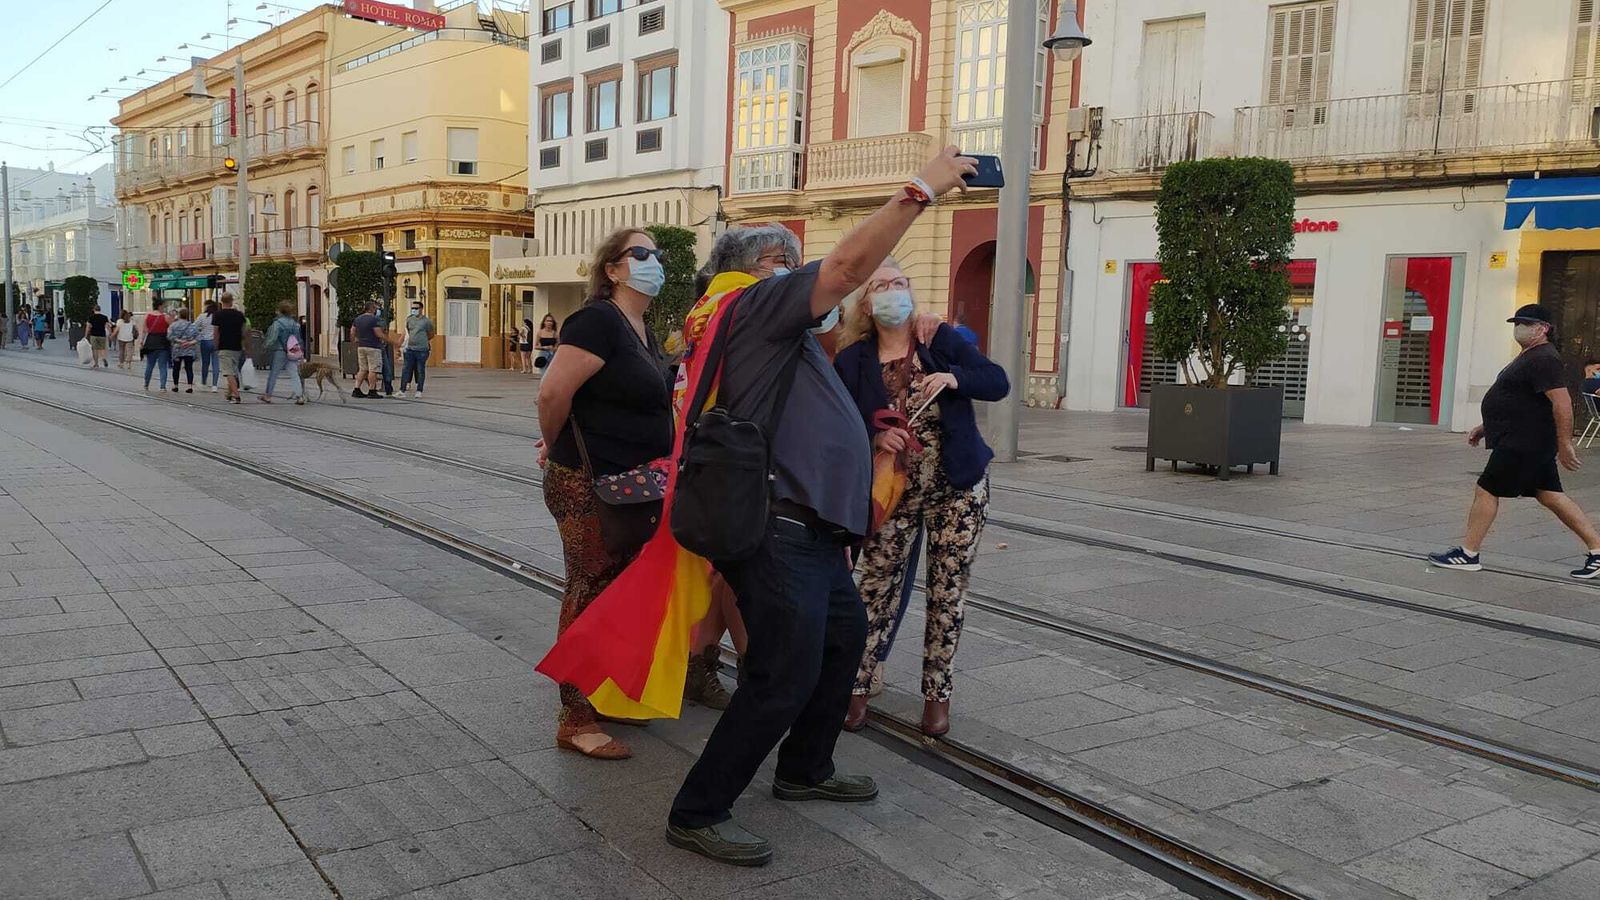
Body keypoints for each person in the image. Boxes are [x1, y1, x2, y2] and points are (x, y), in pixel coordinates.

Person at [665, 147, 977, 867]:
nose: (800, 274)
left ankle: (805, 768)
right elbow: (842, 270)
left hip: (811, 529)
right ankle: (697, 810)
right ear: (753, 271)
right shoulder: (757, 304)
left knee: (842, 640)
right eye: (785, 262)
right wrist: (920, 190)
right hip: (778, 528)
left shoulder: (783, 336)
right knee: (784, 672)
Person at [834, 259, 1009, 737]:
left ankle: (937, 696)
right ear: (866, 304)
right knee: (874, 587)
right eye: (881, 286)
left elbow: (997, 381)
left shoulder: (937, 339)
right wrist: (875, 435)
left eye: (900, 283)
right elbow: (841, 420)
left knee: (947, 590)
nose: (893, 291)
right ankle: (856, 687)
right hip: (893, 491)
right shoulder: (853, 359)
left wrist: (954, 377)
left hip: (958, 488)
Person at [536, 227, 675, 762]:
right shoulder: (596, 321)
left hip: (630, 484)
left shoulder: (640, 328)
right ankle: (574, 717)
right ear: (612, 269)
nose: (652, 261)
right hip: (586, 482)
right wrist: (557, 445)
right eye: (640, 253)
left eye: (656, 253)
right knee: (589, 586)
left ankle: (598, 694)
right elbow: (553, 393)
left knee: (616, 590)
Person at [1430, 304, 1600, 579]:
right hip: (1525, 438)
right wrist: (1487, 426)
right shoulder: (1531, 355)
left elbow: (1562, 403)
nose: (1518, 328)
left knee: (1486, 488)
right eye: (1516, 323)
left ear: (1543, 329)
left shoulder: (1544, 358)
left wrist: (1565, 443)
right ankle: (1598, 551)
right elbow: (1519, 400)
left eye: (1525, 323)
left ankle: (1468, 554)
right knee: (1550, 494)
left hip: (1524, 441)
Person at [260, 301, 305, 405]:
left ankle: (268, 395)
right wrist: (300, 350)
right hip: (292, 350)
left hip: (280, 351)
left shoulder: (277, 323)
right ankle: (300, 396)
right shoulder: (294, 324)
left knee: (274, 374)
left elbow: (273, 338)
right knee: (294, 374)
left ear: (280, 311)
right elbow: (298, 338)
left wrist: (265, 346)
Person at [213, 293, 247, 404]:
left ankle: (236, 396)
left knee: (228, 372)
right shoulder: (239, 315)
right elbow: (244, 331)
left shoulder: (218, 315)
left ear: (221, 301)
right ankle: (229, 393)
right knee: (233, 370)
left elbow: (216, 332)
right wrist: (244, 344)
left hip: (224, 346)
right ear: (232, 301)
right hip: (237, 346)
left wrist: (216, 345)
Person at [398, 299, 435, 398]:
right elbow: (408, 331)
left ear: (421, 309)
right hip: (410, 348)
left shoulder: (426, 321)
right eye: (412, 308)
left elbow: (431, 334)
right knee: (406, 369)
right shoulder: (409, 319)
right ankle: (402, 390)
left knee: (420, 369)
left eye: (416, 308)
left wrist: (423, 340)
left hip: (422, 350)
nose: (414, 310)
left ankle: (419, 390)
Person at [350, 301, 386, 399]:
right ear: (372, 309)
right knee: (373, 369)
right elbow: (379, 333)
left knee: (362, 369)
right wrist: (389, 340)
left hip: (361, 346)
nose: (376, 310)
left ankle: (356, 389)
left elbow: (352, 331)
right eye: (375, 308)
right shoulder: (375, 319)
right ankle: (372, 390)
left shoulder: (357, 319)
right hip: (373, 347)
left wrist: (354, 341)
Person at [167, 308, 200, 393]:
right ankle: (189, 386)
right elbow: (198, 338)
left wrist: (180, 341)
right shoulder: (192, 326)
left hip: (177, 350)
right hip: (189, 350)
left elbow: (169, 336)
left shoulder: (174, 325)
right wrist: (189, 343)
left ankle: (175, 386)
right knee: (189, 368)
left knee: (176, 368)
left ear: (179, 315)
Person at [140, 306, 172, 391]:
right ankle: (162, 387)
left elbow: (144, 330)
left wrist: (142, 342)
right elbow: (171, 329)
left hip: (151, 342)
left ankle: (146, 384)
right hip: (163, 343)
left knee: (149, 365)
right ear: (160, 306)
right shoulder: (166, 317)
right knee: (163, 366)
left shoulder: (147, 316)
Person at [196, 301, 220, 392]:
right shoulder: (218, 316)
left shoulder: (202, 316)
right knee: (216, 364)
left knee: (205, 363)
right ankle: (215, 386)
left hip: (205, 341)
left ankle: (204, 382)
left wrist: (200, 333)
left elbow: (194, 326)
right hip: (216, 341)